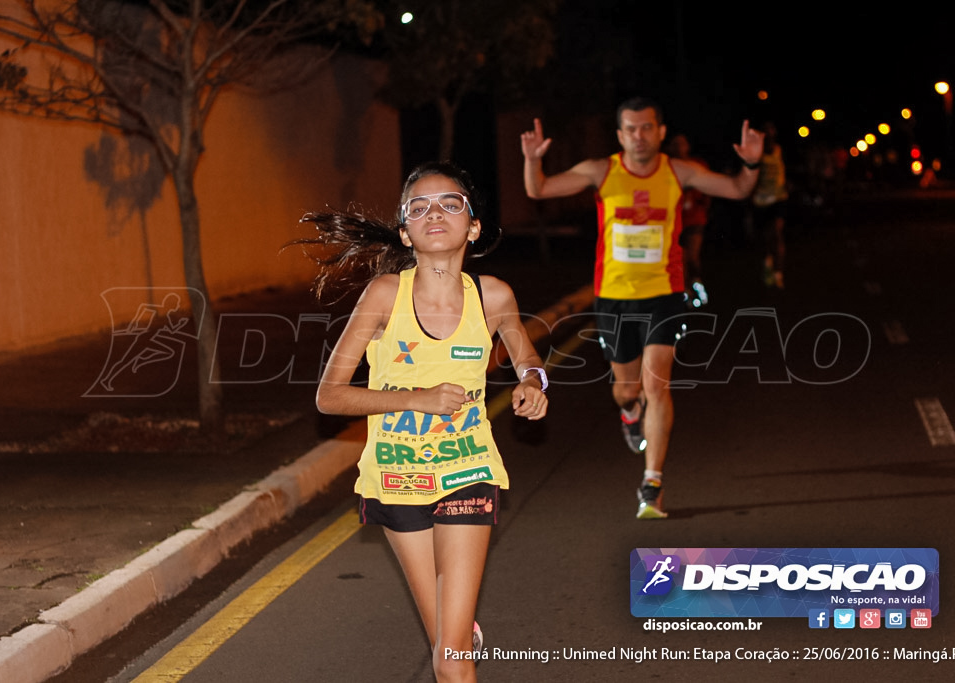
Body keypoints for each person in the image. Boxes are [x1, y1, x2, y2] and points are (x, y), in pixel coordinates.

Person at [292, 161, 548, 682]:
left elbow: (528, 359)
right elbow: (330, 397)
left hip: (468, 468)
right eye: (420, 207)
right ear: (406, 232)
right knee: (445, 642)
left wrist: (533, 386)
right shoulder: (385, 296)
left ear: (472, 226)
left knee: (452, 658)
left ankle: (457, 637)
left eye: (450, 203)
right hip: (397, 477)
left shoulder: (493, 296)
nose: (436, 213)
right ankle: (456, 630)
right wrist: (415, 398)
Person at [520, 97, 763, 519]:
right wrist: (530, 160)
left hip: (664, 293)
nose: (639, 136)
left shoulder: (678, 171)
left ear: (661, 131)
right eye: (630, 129)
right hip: (614, 297)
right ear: (620, 135)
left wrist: (752, 164)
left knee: (657, 387)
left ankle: (652, 483)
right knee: (628, 389)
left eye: (647, 127)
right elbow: (538, 189)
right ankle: (629, 413)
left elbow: (739, 189)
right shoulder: (602, 170)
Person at [665, 133, 712, 307]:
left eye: (682, 144)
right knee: (680, 259)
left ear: (688, 147)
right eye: (675, 144)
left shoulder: (697, 165)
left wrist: (704, 201)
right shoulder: (665, 167)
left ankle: (697, 284)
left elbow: (708, 186)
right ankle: (685, 291)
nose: (679, 148)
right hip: (674, 220)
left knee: (692, 256)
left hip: (695, 218)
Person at [751, 122, 789, 289]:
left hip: (778, 199)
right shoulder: (757, 154)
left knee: (777, 233)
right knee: (766, 238)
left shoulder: (780, 150)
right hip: (761, 200)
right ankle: (767, 265)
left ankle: (778, 273)